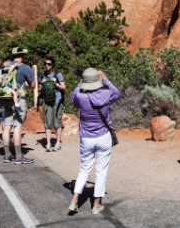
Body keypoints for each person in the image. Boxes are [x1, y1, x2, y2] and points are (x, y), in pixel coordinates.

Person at [68, 68, 121, 215]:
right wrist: (105, 78)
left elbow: (72, 96)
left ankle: (74, 200)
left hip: (86, 138)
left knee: (84, 170)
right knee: (101, 171)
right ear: (97, 80)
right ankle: (96, 205)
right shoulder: (106, 94)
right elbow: (117, 93)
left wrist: (81, 82)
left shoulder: (80, 96)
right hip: (103, 136)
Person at [1, 47, 36, 165]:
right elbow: (33, 85)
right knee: (17, 127)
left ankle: (7, 155)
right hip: (19, 100)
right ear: (22, 56)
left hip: (5, 99)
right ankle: (19, 156)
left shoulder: (5, 67)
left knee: (7, 126)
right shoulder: (25, 67)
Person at [40, 57, 66, 152]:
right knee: (47, 123)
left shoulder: (58, 75)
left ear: (53, 65)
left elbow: (64, 87)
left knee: (57, 122)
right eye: (45, 64)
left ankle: (58, 143)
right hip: (47, 101)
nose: (47, 65)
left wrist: (57, 84)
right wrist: (42, 84)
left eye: (49, 64)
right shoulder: (42, 75)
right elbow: (39, 89)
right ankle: (48, 143)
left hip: (57, 101)